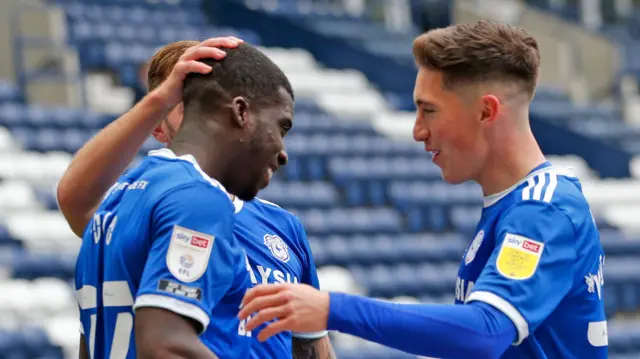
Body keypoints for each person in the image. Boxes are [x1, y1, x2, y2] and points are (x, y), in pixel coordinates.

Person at [237, 20, 608, 359]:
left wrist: (332, 309)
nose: (417, 131)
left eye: (428, 111)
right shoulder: (516, 206)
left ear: (485, 112)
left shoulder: (542, 209)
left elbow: (486, 333)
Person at [58, 39, 335, 359]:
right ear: (158, 128)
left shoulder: (283, 227)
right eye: (182, 102)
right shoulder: (157, 203)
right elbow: (75, 199)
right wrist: (158, 101)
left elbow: (313, 347)